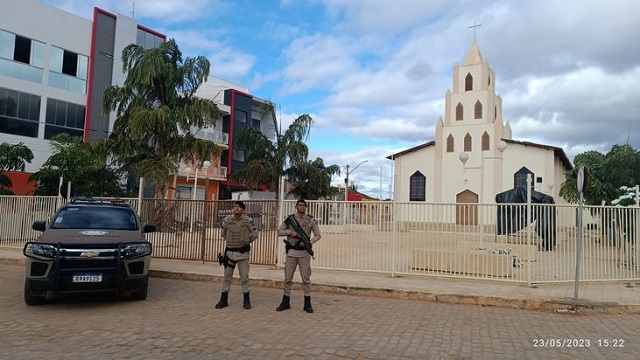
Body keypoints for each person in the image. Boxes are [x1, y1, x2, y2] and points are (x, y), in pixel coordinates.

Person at [276, 198, 321, 313]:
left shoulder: (311, 220)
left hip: (304, 253)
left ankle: (307, 303)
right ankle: (285, 302)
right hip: (291, 252)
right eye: (300, 205)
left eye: (303, 205)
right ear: (296, 206)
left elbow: (318, 235)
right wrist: (289, 232)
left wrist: (310, 242)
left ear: (306, 207)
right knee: (287, 278)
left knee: (306, 279)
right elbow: (279, 231)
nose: (302, 207)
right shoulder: (290, 219)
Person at [215, 200, 258, 309]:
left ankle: (246, 301)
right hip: (229, 253)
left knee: (244, 277)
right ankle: (223, 300)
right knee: (227, 277)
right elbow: (223, 233)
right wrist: (230, 242)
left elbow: (254, 234)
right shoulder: (227, 220)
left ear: (243, 209)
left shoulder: (248, 221)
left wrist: (246, 242)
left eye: (238, 207)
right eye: (234, 207)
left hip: (242, 254)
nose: (236, 208)